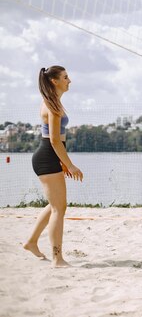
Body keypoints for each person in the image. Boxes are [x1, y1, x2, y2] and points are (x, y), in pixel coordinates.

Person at [24, 66, 83, 268]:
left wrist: (63, 162)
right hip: (47, 157)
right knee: (59, 208)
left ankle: (31, 242)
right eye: (66, 77)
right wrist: (70, 165)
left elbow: (56, 141)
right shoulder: (52, 106)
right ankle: (57, 259)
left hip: (51, 156)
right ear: (54, 81)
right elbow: (55, 141)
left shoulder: (54, 102)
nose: (70, 80)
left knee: (54, 205)